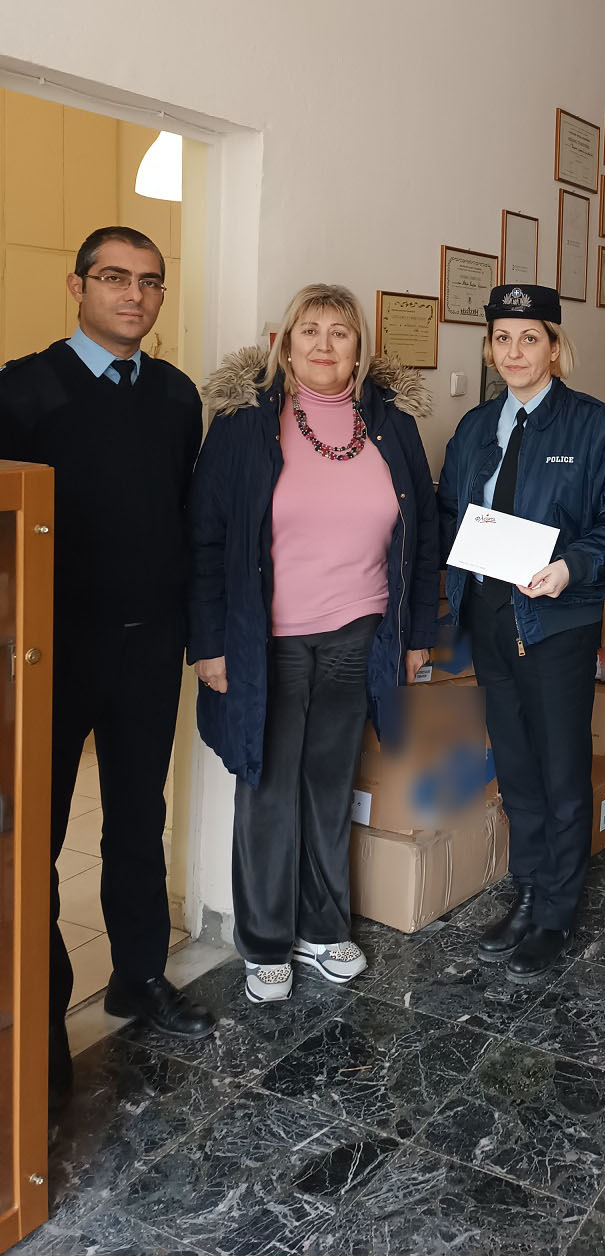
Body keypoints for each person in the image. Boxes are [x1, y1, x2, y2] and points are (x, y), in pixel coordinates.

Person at [0, 225, 214, 1108]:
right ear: (78, 285)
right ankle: (42, 1020)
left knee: (136, 816)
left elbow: (181, 516)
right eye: (116, 277)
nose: (135, 294)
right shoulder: (22, 389)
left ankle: (138, 977)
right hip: (49, 651)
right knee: (36, 837)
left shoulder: (176, 395)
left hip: (147, 646)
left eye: (150, 282)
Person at [188, 283, 438, 1004]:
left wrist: (418, 634)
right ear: (285, 344)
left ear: (360, 349)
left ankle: (323, 927)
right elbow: (205, 541)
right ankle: (266, 941)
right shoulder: (243, 425)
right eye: (310, 330)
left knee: (329, 784)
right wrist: (210, 644)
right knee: (267, 784)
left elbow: (424, 535)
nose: (324, 345)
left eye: (340, 332)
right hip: (265, 641)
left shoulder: (391, 425)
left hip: (360, 633)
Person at [439, 284, 605, 982]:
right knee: (517, 764)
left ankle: (557, 912)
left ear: (555, 347)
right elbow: (450, 514)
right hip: (491, 615)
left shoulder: (597, 428)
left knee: (561, 768)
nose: (514, 352)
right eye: (502, 338)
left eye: (529, 338)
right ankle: (528, 890)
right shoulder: (476, 427)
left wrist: (571, 567)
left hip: (556, 621)